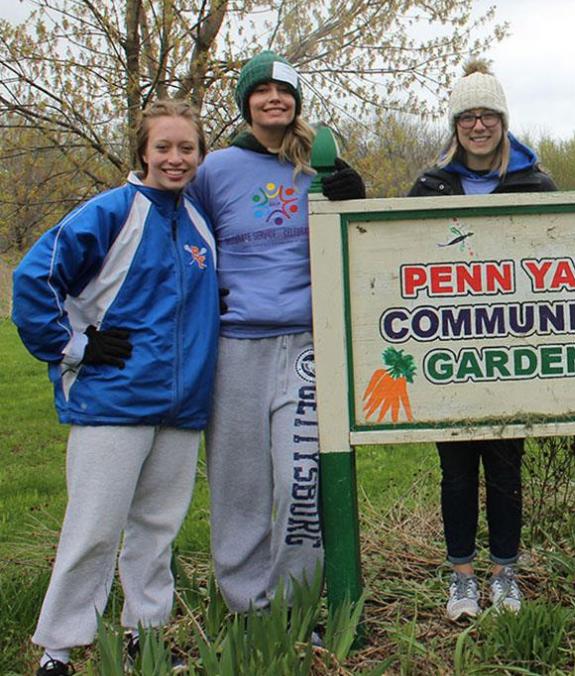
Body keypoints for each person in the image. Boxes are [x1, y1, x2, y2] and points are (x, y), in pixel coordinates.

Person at [13, 100, 217, 676]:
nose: (175, 159)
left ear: (199, 155)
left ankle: (144, 641)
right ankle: (58, 648)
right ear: (143, 152)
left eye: (186, 148)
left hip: (181, 410)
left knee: (157, 532)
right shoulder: (112, 212)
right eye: (164, 147)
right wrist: (73, 346)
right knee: (95, 527)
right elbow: (33, 278)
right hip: (114, 402)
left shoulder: (201, 223)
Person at [188, 51, 365, 620]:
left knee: (302, 485)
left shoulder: (315, 165)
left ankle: (295, 608)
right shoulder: (214, 170)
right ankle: (248, 611)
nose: (274, 99)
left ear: (296, 103)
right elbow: (187, 243)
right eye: (261, 91)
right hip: (237, 345)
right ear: (246, 103)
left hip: (308, 342)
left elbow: (354, 242)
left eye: (284, 91)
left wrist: (354, 197)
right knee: (239, 487)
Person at [402, 60, 555, 621]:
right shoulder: (430, 185)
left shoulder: (535, 183)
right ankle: (462, 578)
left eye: (488, 114)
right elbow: (405, 257)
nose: (478, 125)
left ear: (503, 120)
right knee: (457, 469)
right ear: (455, 124)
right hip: (450, 348)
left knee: (506, 466)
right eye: (467, 115)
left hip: (514, 349)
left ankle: (505, 575)